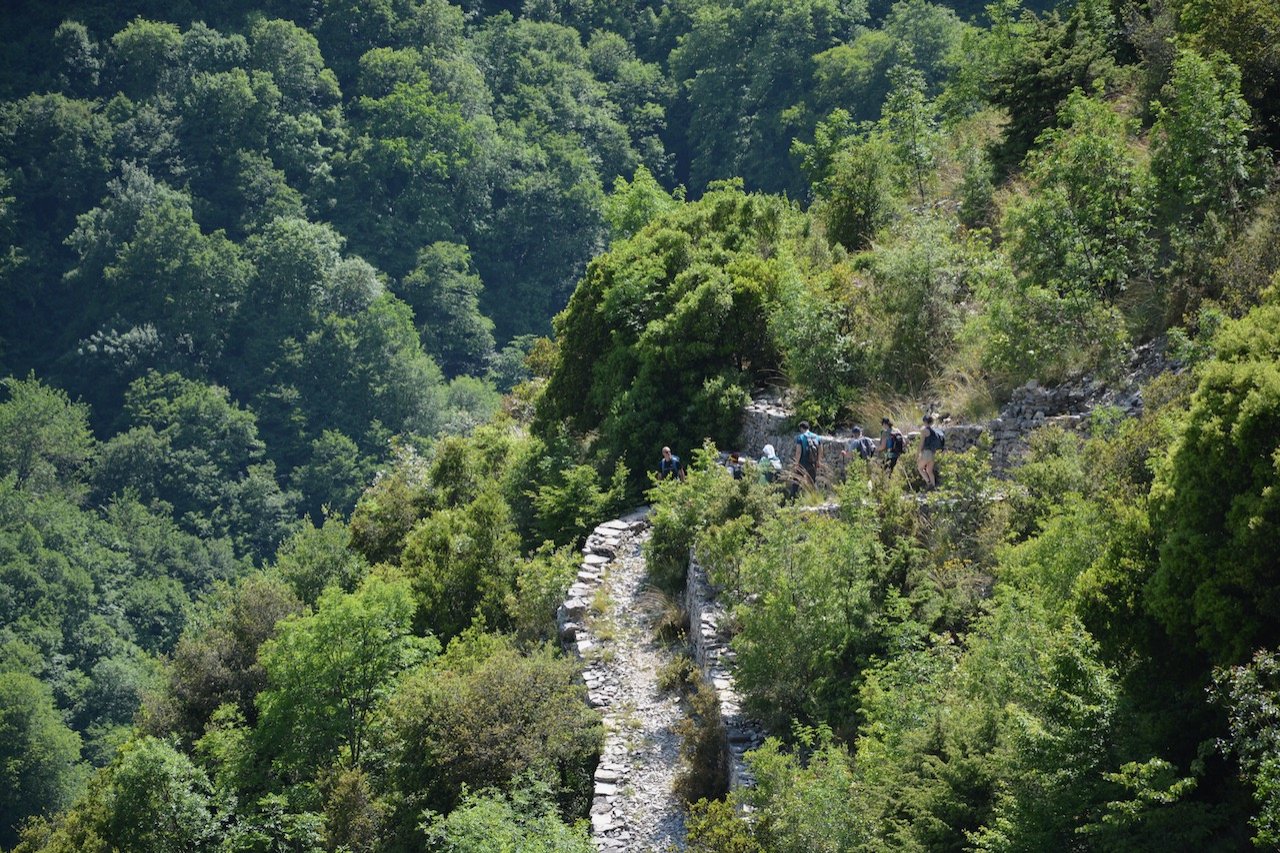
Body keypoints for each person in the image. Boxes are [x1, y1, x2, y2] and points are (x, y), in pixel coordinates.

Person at [789, 421, 822, 498]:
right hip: (813, 463)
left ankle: (792, 500)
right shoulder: (817, 437)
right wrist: (818, 461)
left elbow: (798, 452)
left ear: (801, 428)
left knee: (796, 482)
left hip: (802, 463)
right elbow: (820, 450)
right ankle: (815, 498)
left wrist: (796, 464)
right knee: (812, 482)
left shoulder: (801, 437)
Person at [918, 414, 944, 489]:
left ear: (925, 421)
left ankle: (929, 483)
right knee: (929, 471)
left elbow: (921, 443)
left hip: (926, 452)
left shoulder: (924, 431)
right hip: (933, 453)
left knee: (920, 468)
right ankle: (933, 487)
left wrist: (918, 453)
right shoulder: (934, 431)